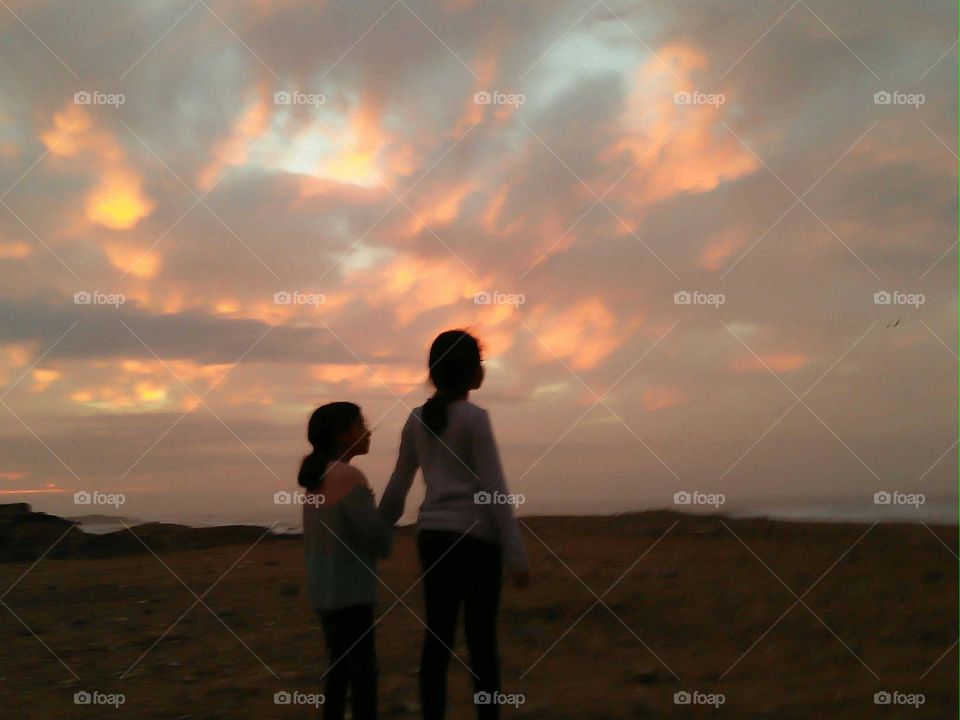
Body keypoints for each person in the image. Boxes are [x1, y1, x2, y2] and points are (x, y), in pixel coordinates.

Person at [380, 330, 529, 720]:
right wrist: (516, 555)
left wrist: (378, 530)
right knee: (481, 642)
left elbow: (398, 486)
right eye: (480, 362)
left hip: (433, 538)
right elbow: (495, 490)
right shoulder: (474, 419)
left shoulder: (416, 420)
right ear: (469, 373)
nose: (483, 369)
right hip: (478, 542)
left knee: (438, 638)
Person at [299, 402, 392, 720]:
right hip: (350, 593)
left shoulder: (317, 478)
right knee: (364, 676)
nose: (367, 431)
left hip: (324, 592)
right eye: (360, 424)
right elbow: (377, 540)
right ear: (341, 436)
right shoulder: (348, 476)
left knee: (339, 672)